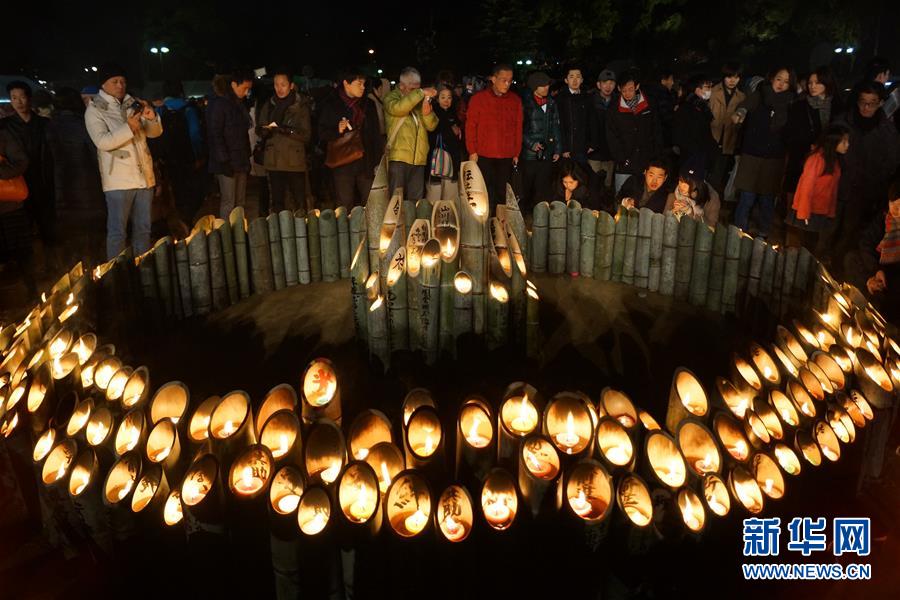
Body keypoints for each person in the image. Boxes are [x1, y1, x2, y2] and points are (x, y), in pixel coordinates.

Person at [84, 63, 162, 259]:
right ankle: (117, 275)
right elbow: (102, 141)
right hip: (118, 182)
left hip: (144, 178)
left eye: (123, 81)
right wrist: (129, 128)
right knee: (118, 232)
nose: (120, 85)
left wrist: (151, 118)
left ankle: (142, 269)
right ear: (104, 84)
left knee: (144, 229)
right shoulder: (95, 109)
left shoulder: (133, 104)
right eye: (115, 81)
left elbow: (154, 133)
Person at [828, 82, 900, 261]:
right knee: (827, 229)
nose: (866, 107)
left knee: (849, 233)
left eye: (872, 102)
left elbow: (891, 162)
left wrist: (874, 184)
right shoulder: (842, 122)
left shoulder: (888, 131)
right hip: (836, 188)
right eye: (863, 101)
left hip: (864, 193)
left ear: (881, 103)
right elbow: (827, 151)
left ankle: (837, 267)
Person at [732, 66, 796, 239]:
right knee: (747, 197)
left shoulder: (791, 103)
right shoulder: (760, 95)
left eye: (786, 81)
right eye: (779, 79)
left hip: (774, 158)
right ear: (772, 79)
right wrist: (740, 113)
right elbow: (745, 106)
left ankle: (763, 232)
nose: (781, 84)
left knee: (767, 199)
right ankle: (738, 231)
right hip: (752, 154)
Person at [46, 87, 105, 265]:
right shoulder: (84, 123)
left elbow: (47, 159)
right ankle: (97, 272)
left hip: (62, 188)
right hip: (89, 186)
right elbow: (95, 155)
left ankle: (75, 275)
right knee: (94, 237)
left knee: (73, 240)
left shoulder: (50, 126)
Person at [2, 81, 57, 271]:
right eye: (14, 98)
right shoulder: (5, 126)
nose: (18, 102)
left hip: (43, 182)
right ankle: (29, 274)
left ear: (30, 98)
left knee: (48, 228)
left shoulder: (44, 124)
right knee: (23, 233)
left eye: (22, 97)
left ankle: (52, 268)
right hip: (19, 184)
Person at [317, 68, 383, 209]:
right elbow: (322, 133)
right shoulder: (331, 104)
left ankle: (369, 230)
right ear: (346, 83)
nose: (363, 87)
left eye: (364, 84)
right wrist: (337, 129)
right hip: (343, 162)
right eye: (359, 84)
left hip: (366, 161)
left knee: (371, 203)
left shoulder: (368, 105)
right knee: (344, 204)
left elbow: (375, 135)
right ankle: (346, 230)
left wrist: (378, 162)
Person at [784, 124, 850, 251]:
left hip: (820, 212)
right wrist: (803, 214)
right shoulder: (817, 159)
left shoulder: (834, 161)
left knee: (811, 246)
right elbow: (806, 187)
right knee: (803, 247)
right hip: (809, 212)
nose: (847, 145)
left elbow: (832, 190)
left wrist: (830, 211)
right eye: (844, 141)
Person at [465, 63, 523, 206]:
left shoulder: (515, 100)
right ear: (493, 79)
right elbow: (471, 126)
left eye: (510, 80)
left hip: (506, 154)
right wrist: (472, 150)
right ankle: (484, 223)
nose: (507, 84)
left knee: (502, 193)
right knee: (483, 191)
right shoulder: (479, 99)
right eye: (503, 80)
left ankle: (500, 223)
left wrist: (516, 152)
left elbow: (518, 127)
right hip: (483, 153)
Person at [257, 69, 312, 214]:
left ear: (291, 85)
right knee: (277, 202)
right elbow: (260, 127)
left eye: (283, 84)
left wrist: (285, 130)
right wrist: (265, 130)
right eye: (276, 84)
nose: (279, 88)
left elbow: (306, 135)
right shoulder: (269, 104)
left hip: (294, 161)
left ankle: (302, 232)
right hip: (273, 160)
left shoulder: (300, 106)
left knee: (299, 202)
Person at [844, 182, 900, 323]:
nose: (895, 209)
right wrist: (875, 272)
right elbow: (866, 242)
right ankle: (865, 293)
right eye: (892, 203)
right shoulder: (884, 219)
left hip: (893, 277)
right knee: (852, 258)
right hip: (875, 267)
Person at [783, 67, 841, 204]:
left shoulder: (838, 106)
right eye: (810, 83)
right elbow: (790, 131)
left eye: (817, 82)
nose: (812, 86)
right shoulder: (799, 106)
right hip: (803, 155)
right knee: (796, 186)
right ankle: (792, 219)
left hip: (828, 156)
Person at [382, 67, 438, 202]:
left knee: (416, 201)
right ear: (401, 86)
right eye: (413, 89)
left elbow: (432, 125)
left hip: (419, 159)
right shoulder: (391, 98)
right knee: (396, 201)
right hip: (398, 158)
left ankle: (414, 224)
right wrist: (421, 92)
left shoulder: (418, 101)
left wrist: (427, 113)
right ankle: (395, 224)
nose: (417, 93)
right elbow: (399, 108)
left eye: (418, 88)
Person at [155, 79, 205, 224]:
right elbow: (195, 133)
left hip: (167, 158)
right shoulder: (188, 109)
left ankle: (177, 218)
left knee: (173, 189)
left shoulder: (160, 110)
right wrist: (198, 155)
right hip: (187, 156)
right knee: (190, 188)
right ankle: (187, 219)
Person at [606, 69, 663, 194]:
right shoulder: (613, 108)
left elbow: (657, 131)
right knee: (622, 198)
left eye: (630, 89)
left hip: (646, 161)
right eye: (623, 90)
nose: (627, 93)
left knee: (643, 198)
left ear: (637, 86)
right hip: (625, 163)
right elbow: (612, 137)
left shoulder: (649, 104)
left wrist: (655, 156)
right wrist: (622, 159)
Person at [207, 70, 254, 219]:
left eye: (249, 89)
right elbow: (216, 134)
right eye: (244, 88)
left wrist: (247, 155)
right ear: (234, 84)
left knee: (240, 202)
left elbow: (242, 133)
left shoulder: (238, 104)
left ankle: (240, 234)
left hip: (240, 159)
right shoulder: (220, 104)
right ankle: (227, 236)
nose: (246, 92)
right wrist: (224, 160)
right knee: (229, 202)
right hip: (227, 162)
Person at [0, 127, 35, 298]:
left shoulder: (4, 134)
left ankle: (32, 294)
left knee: (21, 252)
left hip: (9, 207)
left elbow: (21, 162)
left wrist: (1, 171)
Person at [519, 71, 560, 210]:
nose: (546, 88)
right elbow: (519, 129)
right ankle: (524, 215)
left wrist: (557, 149)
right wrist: (531, 144)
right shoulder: (525, 104)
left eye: (547, 85)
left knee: (543, 187)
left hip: (547, 152)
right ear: (534, 87)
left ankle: (540, 217)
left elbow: (556, 126)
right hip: (530, 155)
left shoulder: (552, 103)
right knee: (527, 186)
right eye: (543, 85)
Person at [708, 62, 745, 195]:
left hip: (728, 142)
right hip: (711, 139)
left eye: (736, 77)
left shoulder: (741, 97)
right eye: (729, 77)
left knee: (718, 177)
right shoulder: (712, 92)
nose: (732, 80)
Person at [672, 74, 717, 173]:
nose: (710, 90)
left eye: (710, 87)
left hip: (701, 156)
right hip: (692, 157)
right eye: (707, 87)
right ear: (696, 89)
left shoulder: (702, 107)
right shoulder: (687, 108)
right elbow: (681, 135)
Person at [556, 66, 597, 169]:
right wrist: (563, 148)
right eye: (571, 77)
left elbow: (592, 121)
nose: (575, 80)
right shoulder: (560, 98)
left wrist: (592, 143)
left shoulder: (587, 98)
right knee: (567, 178)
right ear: (566, 80)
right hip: (567, 148)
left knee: (582, 177)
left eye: (578, 77)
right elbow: (558, 125)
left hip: (583, 147)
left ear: (582, 80)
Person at [664, 162, 721, 227]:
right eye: (681, 180)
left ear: (697, 184)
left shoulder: (711, 198)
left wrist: (689, 212)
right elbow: (663, 220)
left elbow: (711, 228)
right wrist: (673, 212)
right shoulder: (673, 195)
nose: (682, 186)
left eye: (688, 183)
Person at [428, 85, 464, 182]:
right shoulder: (433, 112)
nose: (446, 100)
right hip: (437, 156)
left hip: (452, 157)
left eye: (449, 97)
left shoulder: (453, 113)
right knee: (436, 190)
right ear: (437, 99)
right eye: (443, 97)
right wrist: (450, 129)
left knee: (450, 191)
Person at [588, 69, 617, 192]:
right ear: (598, 84)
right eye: (605, 83)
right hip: (593, 152)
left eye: (611, 83)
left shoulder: (618, 102)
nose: (608, 86)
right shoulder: (590, 101)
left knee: (607, 185)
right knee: (592, 184)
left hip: (611, 152)